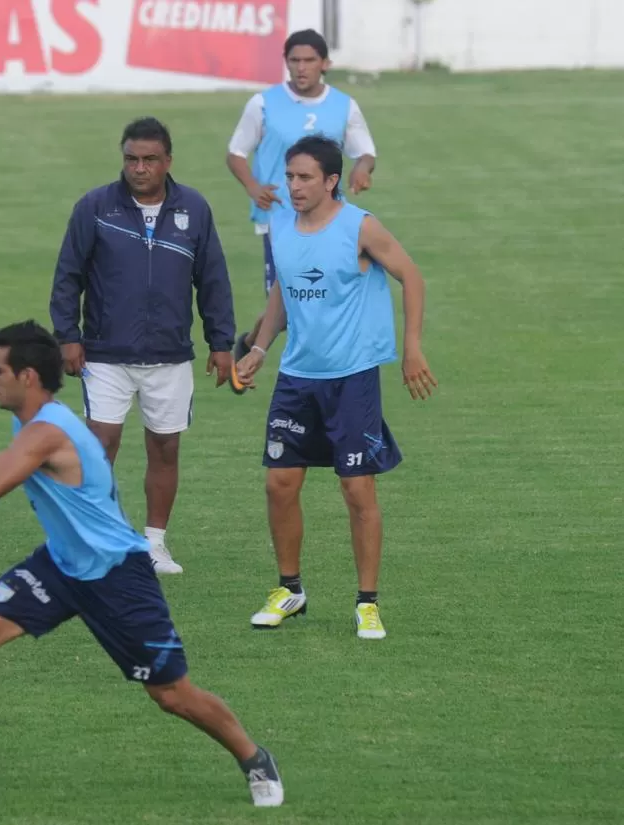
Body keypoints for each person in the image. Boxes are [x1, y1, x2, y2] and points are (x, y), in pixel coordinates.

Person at [0, 320, 283, 807]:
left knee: (171, 695)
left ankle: (254, 757)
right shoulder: (32, 421)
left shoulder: (47, 433)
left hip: (117, 575)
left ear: (27, 377)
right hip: (63, 565)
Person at [234, 137, 436, 640]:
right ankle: (290, 590)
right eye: (290, 176)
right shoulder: (281, 226)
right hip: (297, 377)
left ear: (330, 181)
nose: (294, 186)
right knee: (279, 484)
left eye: (305, 177)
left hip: (352, 378)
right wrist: (259, 348)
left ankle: (367, 603)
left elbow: (411, 276)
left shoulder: (359, 226)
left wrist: (412, 348)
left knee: (357, 489)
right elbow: (282, 291)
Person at [50, 116, 236, 575]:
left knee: (165, 448)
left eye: (150, 159)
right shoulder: (95, 207)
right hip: (105, 353)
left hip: (170, 355)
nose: (139, 168)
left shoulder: (194, 209)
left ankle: (154, 544)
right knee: (100, 447)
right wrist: (67, 336)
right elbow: (68, 275)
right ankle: (98, 539)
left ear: (167, 161)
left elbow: (212, 278)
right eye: (132, 159)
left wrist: (221, 342)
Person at [225, 28, 378, 391]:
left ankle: (265, 353)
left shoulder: (344, 105)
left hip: (331, 221)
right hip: (278, 219)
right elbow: (236, 152)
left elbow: (365, 151)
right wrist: (253, 187)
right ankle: (258, 351)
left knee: (318, 298)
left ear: (325, 63)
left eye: (309, 60)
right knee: (290, 303)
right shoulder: (263, 104)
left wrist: (362, 169)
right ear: (286, 62)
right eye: (294, 60)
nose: (301, 67)